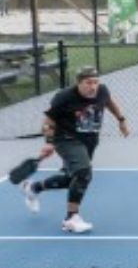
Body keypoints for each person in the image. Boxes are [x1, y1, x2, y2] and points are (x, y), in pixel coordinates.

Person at [21, 66, 130, 233]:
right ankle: (71, 218)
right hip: (66, 139)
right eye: (88, 83)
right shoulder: (64, 97)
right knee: (84, 173)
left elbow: (108, 101)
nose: (93, 86)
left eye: (95, 82)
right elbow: (47, 122)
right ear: (79, 83)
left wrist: (121, 119)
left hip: (90, 140)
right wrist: (49, 142)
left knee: (71, 178)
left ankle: (34, 188)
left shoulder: (102, 90)